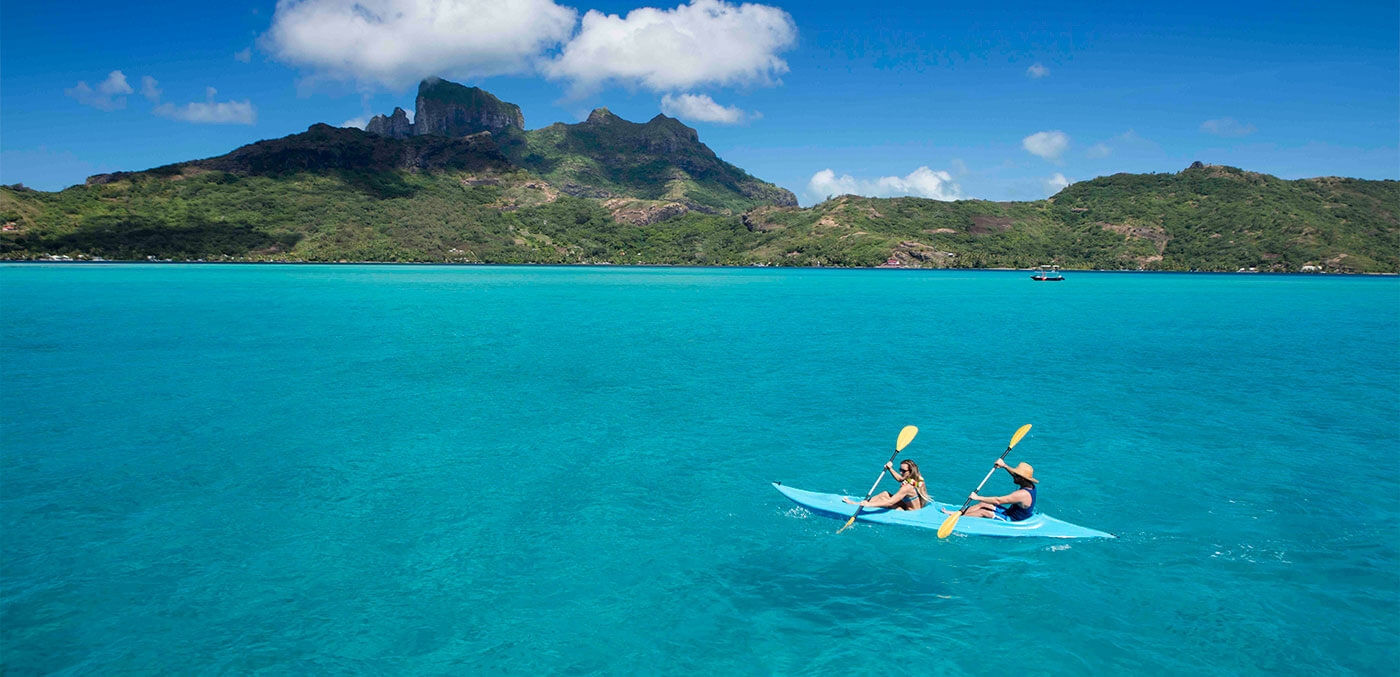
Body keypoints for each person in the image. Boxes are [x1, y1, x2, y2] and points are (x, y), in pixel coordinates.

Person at [957, 459, 1037, 521]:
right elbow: (1015, 476)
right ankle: (958, 514)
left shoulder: (1022, 494)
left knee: (983, 512)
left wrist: (977, 497)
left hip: (1012, 520)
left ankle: (959, 520)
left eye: (1016, 476)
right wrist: (1004, 465)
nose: (1014, 476)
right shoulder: (1030, 485)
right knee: (983, 504)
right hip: (1009, 512)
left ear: (1022, 479)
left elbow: (998, 501)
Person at [842, 459, 930, 510]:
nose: (900, 472)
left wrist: (869, 505)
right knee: (884, 494)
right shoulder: (917, 478)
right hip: (913, 507)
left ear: (910, 471)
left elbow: (890, 502)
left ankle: (860, 505)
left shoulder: (907, 487)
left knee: (885, 499)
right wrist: (890, 468)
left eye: (903, 471)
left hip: (908, 513)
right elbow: (900, 479)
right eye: (900, 469)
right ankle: (861, 504)